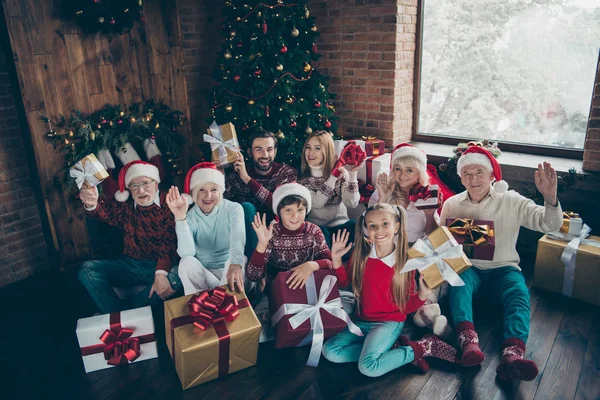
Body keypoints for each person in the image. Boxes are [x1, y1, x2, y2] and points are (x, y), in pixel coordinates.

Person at [439, 146, 562, 381]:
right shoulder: (452, 204)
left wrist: (550, 198)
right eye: (467, 173)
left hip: (504, 269)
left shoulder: (511, 201)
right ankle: (468, 343)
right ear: (460, 177)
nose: (473, 179)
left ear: (492, 176)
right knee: (459, 282)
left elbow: (549, 224)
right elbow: (443, 243)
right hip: (470, 268)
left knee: (519, 294)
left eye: (479, 172)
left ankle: (513, 355)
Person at [321, 204, 458, 377]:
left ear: (397, 227)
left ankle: (422, 347)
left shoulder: (405, 262)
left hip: (389, 322)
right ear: (366, 229)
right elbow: (343, 282)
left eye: (385, 224)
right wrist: (336, 260)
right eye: (372, 225)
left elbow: (405, 308)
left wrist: (422, 295)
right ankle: (390, 350)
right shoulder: (360, 255)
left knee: (368, 367)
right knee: (330, 351)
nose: (379, 230)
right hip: (362, 320)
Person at [370, 143, 451, 344]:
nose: (402, 175)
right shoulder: (383, 192)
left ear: (419, 172)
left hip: (419, 246)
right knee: (399, 269)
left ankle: (426, 310)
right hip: (390, 247)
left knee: (430, 262)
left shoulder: (428, 194)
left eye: (409, 170)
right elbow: (371, 227)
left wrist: (430, 214)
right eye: (397, 169)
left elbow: (434, 236)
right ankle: (422, 316)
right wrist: (382, 197)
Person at [77, 160, 182, 313]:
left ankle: (120, 314)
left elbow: (170, 241)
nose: (140, 190)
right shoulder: (126, 206)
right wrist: (92, 204)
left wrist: (160, 274)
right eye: (134, 185)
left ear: (156, 183)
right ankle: (124, 314)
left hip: (160, 263)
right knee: (86, 270)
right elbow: (104, 212)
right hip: (131, 264)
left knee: (177, 277)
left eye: (145, 183)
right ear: (128, 189)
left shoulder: (169, 203)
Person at [166, 162, 247, 295]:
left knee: (240, 259)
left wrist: (235, 264)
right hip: (205, 274)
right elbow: (187, 254)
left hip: (230, 270)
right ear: (194, 193)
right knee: (186, 262)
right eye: (202, 190)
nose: (208, 196)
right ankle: (200, 305)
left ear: (221, 191)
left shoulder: (233, 208)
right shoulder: (190, 216)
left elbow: (238, 239)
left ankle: (229, 302)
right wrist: (180, 219)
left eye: (214, 190)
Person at [222, 128, 297, 257]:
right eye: (259, 149)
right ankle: (252, 263)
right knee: (247, 208)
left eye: (269, 149)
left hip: (277, 228)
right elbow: (223, 204)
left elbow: (279, 206)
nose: (265, 155)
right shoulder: (236, 174)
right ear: (250, 153)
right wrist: (220, 171)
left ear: (275, 151)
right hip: (246, 231)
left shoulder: (287, 173)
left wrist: (247, 179)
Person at [245, 182, 333, 291]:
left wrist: (311, 265)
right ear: (279, 212)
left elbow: (330, 263)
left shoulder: (313, 231)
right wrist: (262, 244)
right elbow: (253, 275)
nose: (295, 216)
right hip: (277, 293)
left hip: (307, 290)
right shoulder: (271, 233)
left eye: (300, 210)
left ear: (306, 210)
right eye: (288, 210)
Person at [297, 131, 360, 248]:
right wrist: (332, 177)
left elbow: (352, 203)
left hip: (341, 226)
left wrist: (353, 174)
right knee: (320, 234)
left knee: (355, 226)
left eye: (317, 148)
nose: (311, 152)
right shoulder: (303, 178)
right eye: (308, 147)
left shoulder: (342, 174)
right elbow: (317, 203)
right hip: (318, 229)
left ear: (327, 151)